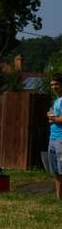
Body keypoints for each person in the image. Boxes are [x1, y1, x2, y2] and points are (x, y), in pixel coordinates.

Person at [47, 72, 62, 200]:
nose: (53, 87)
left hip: (61, 139)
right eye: (52, 85)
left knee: (61, 169)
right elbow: (51, 114)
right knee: (56, 170)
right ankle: (58, 197)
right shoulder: (55, 101)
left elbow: (60, 118)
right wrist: (51, 117)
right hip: (53, 137)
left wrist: (53, 119)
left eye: (56, 84)